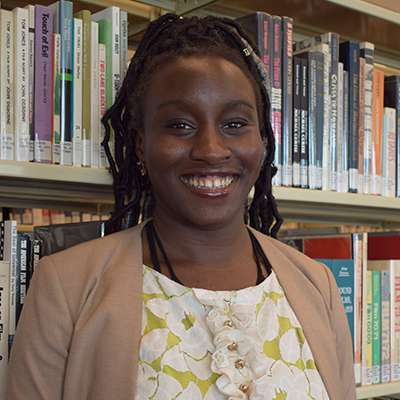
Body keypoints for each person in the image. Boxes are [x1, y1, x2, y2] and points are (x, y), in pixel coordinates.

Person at [6, 13, 356, 400]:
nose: (210, 150)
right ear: (140, 144)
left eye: (236, 124)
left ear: (263, 138)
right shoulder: (67, 286)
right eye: (180, 125)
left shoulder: (316, 285)